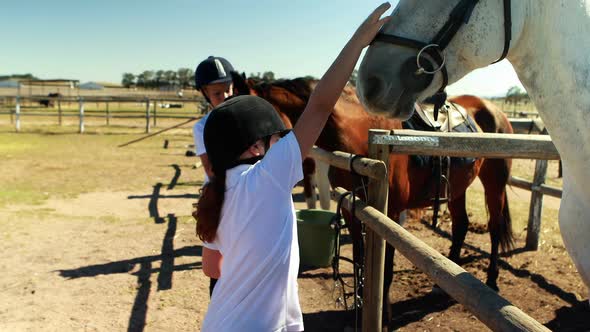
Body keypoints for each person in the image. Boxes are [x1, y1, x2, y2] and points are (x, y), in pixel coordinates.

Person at [195, 3, 391, 331]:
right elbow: (320, 105)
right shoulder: (269, 177)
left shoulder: (213, 191)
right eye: (273, 138)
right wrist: (358, 42)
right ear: (256, 145)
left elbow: (212, 267)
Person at [192, 55, 237, 296]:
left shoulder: (247, 119)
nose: (225, 97)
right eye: (217, 93)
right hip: (220, 198)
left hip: (246, 195)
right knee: (217, 268)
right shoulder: (202, 127)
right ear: (205, 94)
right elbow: (211, 169)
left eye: (227, 90)